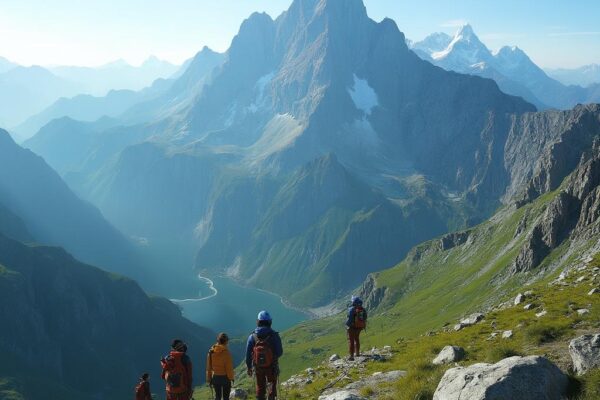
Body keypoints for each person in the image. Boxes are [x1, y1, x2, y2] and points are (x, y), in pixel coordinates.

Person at [246, 310, 283, 400]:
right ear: (269, 322)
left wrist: (249, 368)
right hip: (271, 366)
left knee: (260, 386)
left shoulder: (252, 337)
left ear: (258, 321)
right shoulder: (274, 335)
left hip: (258, 367)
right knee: (271, 385)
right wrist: (272, 356)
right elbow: (279, 352)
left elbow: (247, 354)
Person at [206, 332, 235, 400]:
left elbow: (208, 368)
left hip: (215, 377)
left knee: (217, 397)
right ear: (226, 341)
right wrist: (231, 378)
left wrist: (209, 379)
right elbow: (229, 367)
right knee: (226, 397)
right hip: (225, 378)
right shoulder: (226, 352)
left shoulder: (211, 352)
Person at [345, 295, 367, 361]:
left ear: (354, 302)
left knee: (351, 341)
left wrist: (347, 326)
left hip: (352, 327)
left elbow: (349, 319)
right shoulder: (362, 309)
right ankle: (357, 353)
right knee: (357, 339)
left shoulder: (351, 309)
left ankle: (351, 356)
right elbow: (365, 317)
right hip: (359, 327)